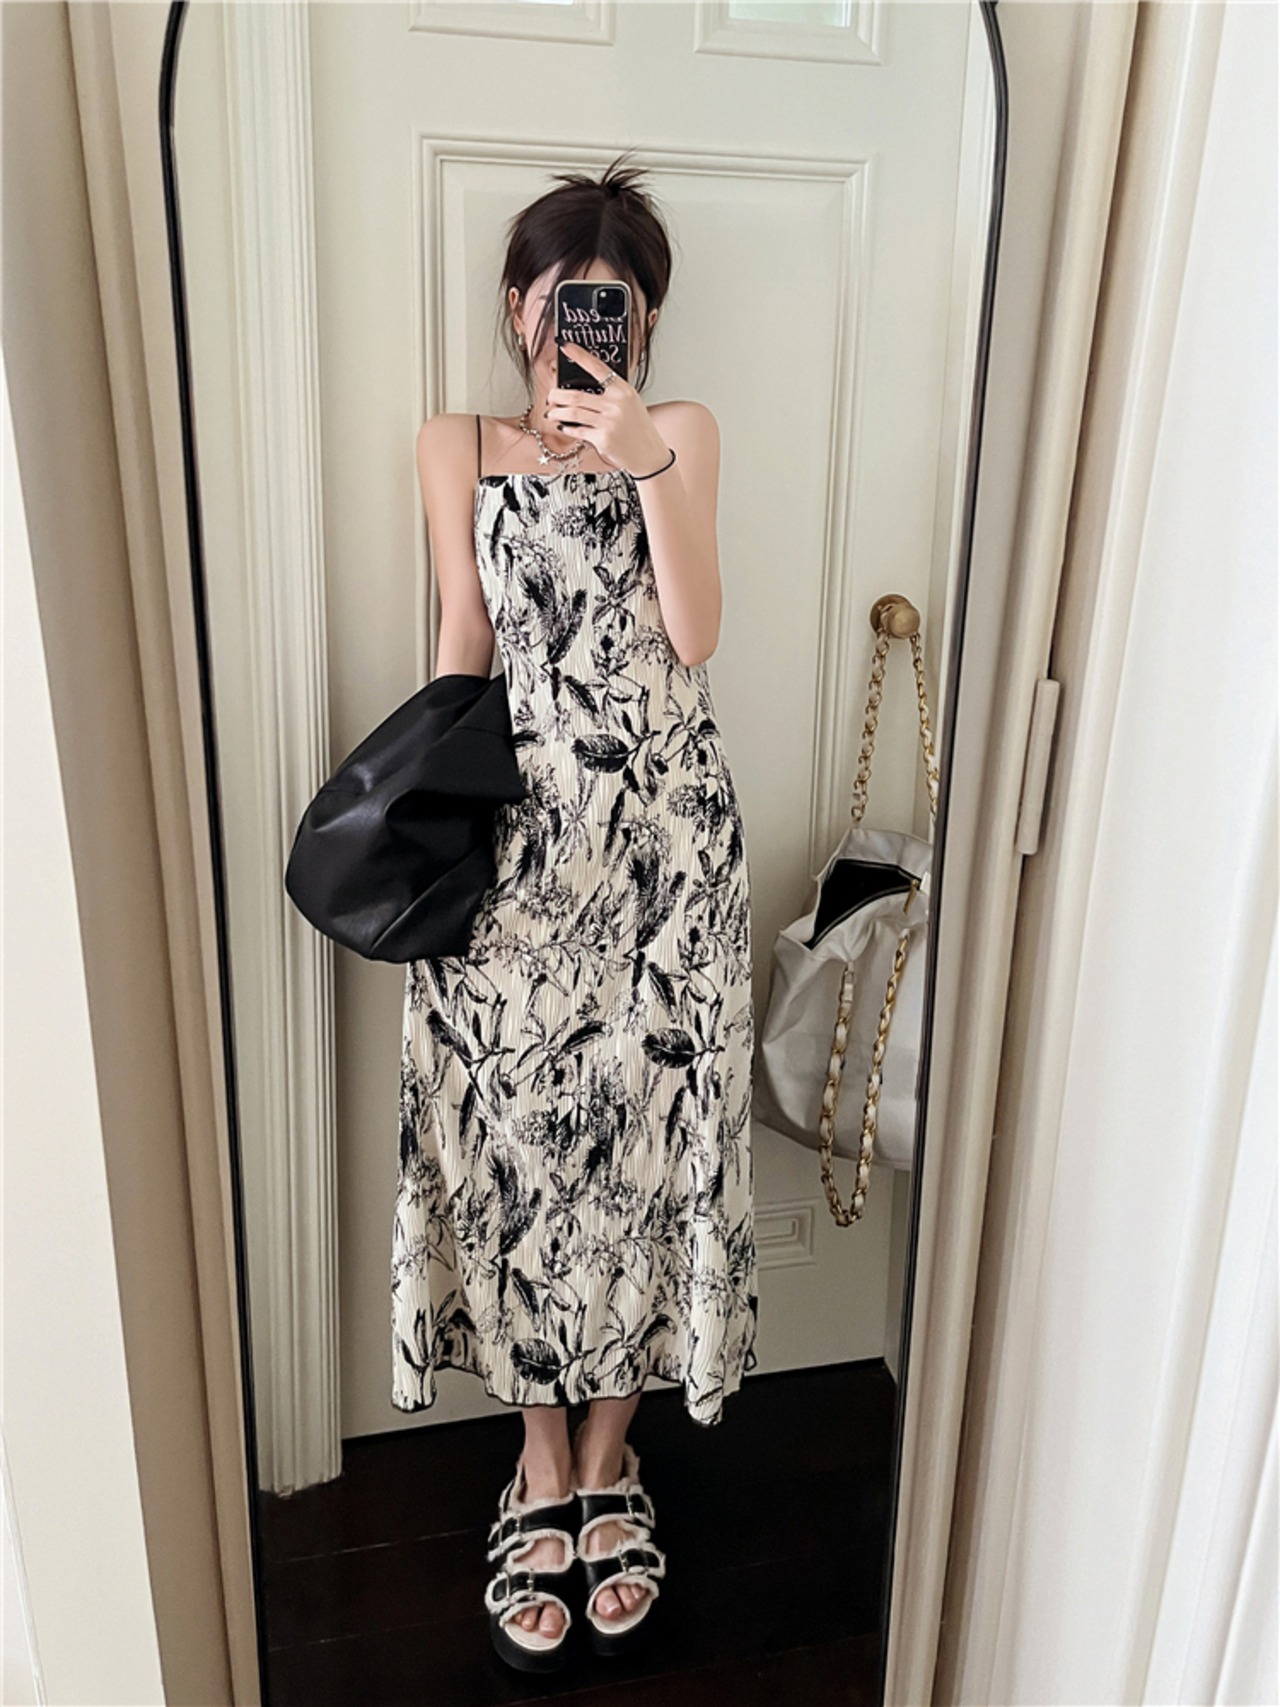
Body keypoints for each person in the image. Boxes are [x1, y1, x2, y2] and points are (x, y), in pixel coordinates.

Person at [394, 154, 758, 1671]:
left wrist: (640, 458)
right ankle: (537, 1467)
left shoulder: (681, 434)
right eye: (563, 306)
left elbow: (696, 633)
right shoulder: (453, 446)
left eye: (619, 311)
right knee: (524, 1160)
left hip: (667, 854)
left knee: (651, 1152)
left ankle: (611, 1460)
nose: (589, 332)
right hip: (516, 862)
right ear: (516, 308)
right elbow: (461, 638)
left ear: (648, 325)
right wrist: (424, 829)